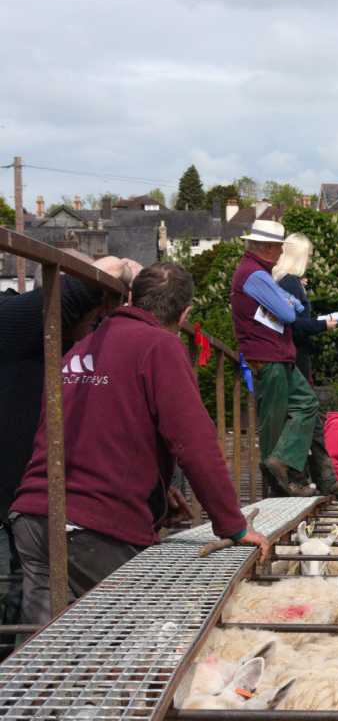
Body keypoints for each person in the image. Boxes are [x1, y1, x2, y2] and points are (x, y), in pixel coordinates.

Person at [10, 263, 269, 624]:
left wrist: (158, 500)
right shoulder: (160, 346)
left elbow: (84, 434)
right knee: (137, 642)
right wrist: (234, 526)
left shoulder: (82, 347)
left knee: (47, 650)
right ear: (185, 314)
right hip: (95, 528)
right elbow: (195, 444)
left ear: (132, 298)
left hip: (34, 518)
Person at [0, 259, 133, 631]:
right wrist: (123, 272)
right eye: (93, 321)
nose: (89, 334)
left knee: (28, 604)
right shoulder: (14, 319)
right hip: (16, 503)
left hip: (25, 502)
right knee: (21, 606)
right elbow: (82, 285)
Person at [230, 219, 319, 497]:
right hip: (269, 357)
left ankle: (280, 467)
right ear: (268, 248)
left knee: (305, 404)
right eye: (279, 247)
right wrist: (289, 303)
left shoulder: (257, 273)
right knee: (275, 421)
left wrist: (288, 303)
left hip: (275, 356)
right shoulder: (255, 275)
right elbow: (292, 313)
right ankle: (278, 483)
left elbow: (289, 306)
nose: (281, 253)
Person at [273, 232, 338, 495]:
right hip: (296, 356)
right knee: (306, 413)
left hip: (291, 356)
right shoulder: (290, 282)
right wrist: (323, 324)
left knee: (306, 415)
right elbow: (297, 325)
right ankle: (310, 478)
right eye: (308, 255)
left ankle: (318, 478)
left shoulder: (283, 281)